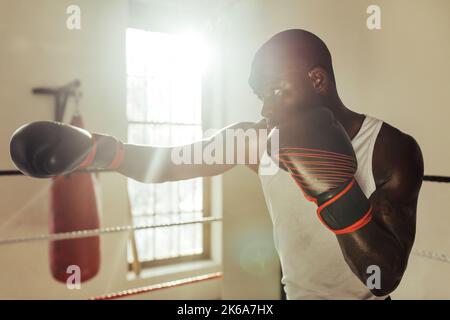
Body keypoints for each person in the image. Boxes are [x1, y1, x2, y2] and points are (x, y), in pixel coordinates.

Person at [10, 29, 423, 300]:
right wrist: (99, 150)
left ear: (317, 81)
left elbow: (383, 277)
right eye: (261, 95)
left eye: (276, 91)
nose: (266, 107)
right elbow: (170, 163)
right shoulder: (258, 140)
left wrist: (336, 191)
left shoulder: (390, 149)